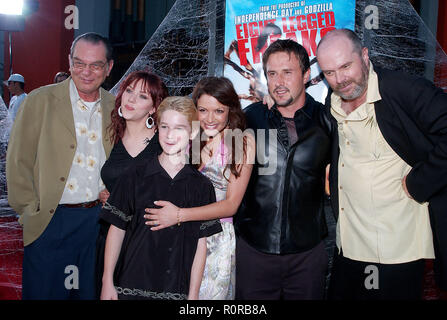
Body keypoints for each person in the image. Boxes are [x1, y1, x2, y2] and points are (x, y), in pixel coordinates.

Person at [316, 28, 447, 299]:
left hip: (395, 251)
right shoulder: (333, 101)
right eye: (329, 73)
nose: (339, 79)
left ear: (364, 56)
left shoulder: (403, 90)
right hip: (348, 247)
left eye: (345, 66)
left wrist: (419, 182)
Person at [6, 32, 115, 300]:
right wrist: (28, 211)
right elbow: (18, 159)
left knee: (87, 294)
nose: (86, 72)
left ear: (109, 67)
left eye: (95, 65)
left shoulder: (117, 106)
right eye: (79, 63)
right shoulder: (40, 101)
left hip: (97, 223)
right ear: (69, 62)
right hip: (50, 221)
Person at [234, 39, 333, 300]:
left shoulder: (328, 121)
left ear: (307, 74)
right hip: (254, 252)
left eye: (287, 72)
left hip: (307, 256)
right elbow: (203, 152)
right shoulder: (250, 117)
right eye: (272, 74)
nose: (278, 82)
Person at [100, 96, 222, 300]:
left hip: (176, 289)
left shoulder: (202, 186)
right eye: (164, 126)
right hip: (130, 285)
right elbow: (117, 230)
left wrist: (193, 296)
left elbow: (201, 246)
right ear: (157, 128)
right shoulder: (133, 176)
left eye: (179, 128)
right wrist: (107, 282)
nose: (170, 135)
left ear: (192, 132)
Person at [144, 76, 255, 299]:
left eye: (219, 111)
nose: (210, 119)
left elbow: (231, 205)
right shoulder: (190, 137)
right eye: (203, 110)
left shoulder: (241, 141)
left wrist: (179, 214)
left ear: (230, 110)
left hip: (216, 239)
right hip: (180, 235)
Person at [96, 70, 168, 298]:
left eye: (143, 96)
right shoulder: (113, 135)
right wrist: (106, 194)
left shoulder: (166, 140)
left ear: (154, 107)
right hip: (109, 238)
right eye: (129, 91)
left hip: (148, 242)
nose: (131, 99)